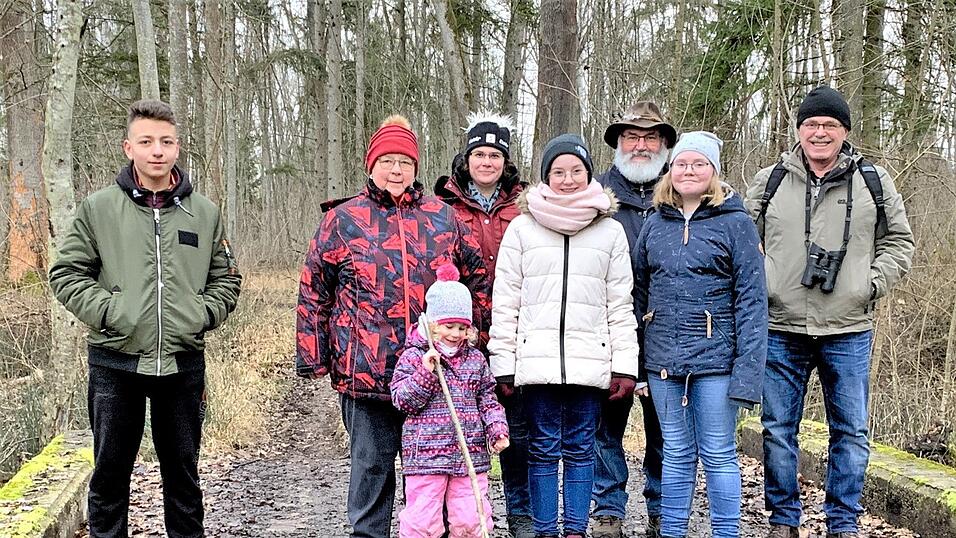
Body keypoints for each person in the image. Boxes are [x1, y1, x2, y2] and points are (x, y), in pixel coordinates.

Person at [49, 99, 242, 538]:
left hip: (182, 363)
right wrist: (111, 312)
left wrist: (200, 315)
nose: (157, 150)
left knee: (183, 477)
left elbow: (227, 278)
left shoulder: (204, 213)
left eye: (166, 142)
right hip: (115, 362)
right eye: (147, 141)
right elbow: (66, 273)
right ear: (128, 148)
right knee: (109, 477)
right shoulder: (98, 209)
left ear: (177, 147)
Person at [296, 115, 491, 538]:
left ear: (416, 167)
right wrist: (314, 357)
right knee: (371, 470)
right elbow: (314, 290)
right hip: (367, 374)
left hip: (436, 375)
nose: (396, 170)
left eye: (405, 161)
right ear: (371, 165)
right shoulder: (343, 220)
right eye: (387, 161)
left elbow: (478, 279)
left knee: (435, 479)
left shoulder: (443, 218)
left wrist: (478, 338)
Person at [745, 86, 915, 538]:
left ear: (845, 132)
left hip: (849, 326)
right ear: (799, 129)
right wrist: (764, 281)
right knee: (778, 429)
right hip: (780, 324)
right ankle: (783, 521)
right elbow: (741, 240)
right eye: (811, 124)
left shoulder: (874, 181)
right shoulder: (770, 180)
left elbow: (900, 242)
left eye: (830, 125)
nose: (819, 133)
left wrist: (868, 285)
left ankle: (842, 523)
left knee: (851, 432)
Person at [489, 134, 640, 538]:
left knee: (580, 448)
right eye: (558, 172)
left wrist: (625, 366)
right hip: (535, 362)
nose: (568, 179)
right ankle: (545, 530)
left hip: (590, 361)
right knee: (540, 449)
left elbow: (620, 305)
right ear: (546, 176)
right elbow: (506, 301)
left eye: (576, 171)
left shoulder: (610, 231)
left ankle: (574, 530)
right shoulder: (522, 229)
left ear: (589, 174)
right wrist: (503, 363)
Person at [633, 131, 767, 538]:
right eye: (681, 164)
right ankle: (672, 532)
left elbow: (752, 302)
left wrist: (747, 375)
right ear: (669, 170)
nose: (688, 171)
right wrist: (639, 366)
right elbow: (638, 294)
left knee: (718, 453)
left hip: (717, 363)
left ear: (714, 171)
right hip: (663, 363)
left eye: (699, 164)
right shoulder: (655, 223)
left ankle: (726, 533)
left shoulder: (736, 223)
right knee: (675, 452)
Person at [435, 112, 533, 538]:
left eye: (495, 155)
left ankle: (521, 514)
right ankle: (454, 517)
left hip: (514, 333)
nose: (487, 162)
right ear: (467, 158)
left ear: (505, 161)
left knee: (515, 430)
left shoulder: (526, 205)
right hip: (461, 335)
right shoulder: (446, 206)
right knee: (453, 426)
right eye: (480, 154)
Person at [592, 101, 677, 538]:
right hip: (611, 327)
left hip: (670, 330)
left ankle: (662, 506)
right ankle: (608, 508)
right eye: (631, 137)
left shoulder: (683, 191)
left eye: (650, 137)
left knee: (665, 427)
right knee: (606, 426)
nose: (640, 145)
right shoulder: (596, 195)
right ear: (619, 143)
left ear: (663, 144)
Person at [391, 264, 510, 537]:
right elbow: (402, 400)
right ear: (432, 324)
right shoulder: (414, 357)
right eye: (449, 326)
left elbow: (487, 399)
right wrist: (426, 373)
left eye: (462, 327)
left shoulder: (475, 360)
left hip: (470, 456)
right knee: (422, 521)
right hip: (426, 457)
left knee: (472, 518)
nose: (456, 334)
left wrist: (497, 429)